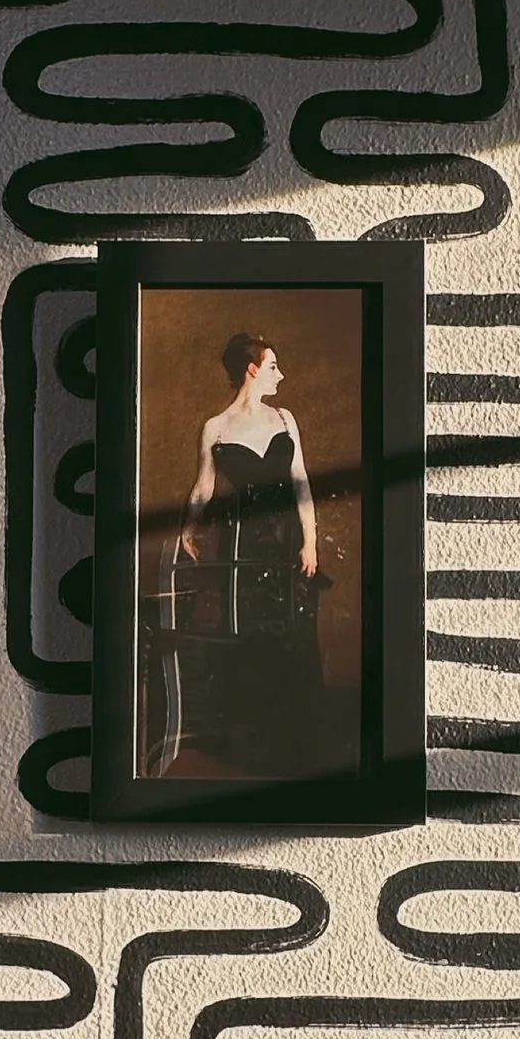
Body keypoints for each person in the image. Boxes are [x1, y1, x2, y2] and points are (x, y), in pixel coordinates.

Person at [169, 331, 326, 775]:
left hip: (286, 541)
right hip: (240, 544)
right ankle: (250, 748)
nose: (282, 374)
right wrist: (188, 529)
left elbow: (302, 483)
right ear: (252, 370)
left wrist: (310, 540)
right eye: (274, 366)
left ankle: (296, 748)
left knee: (293, 634)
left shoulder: (285, 418)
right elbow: (204, 487)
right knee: (245, 634)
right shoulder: (215, 427)